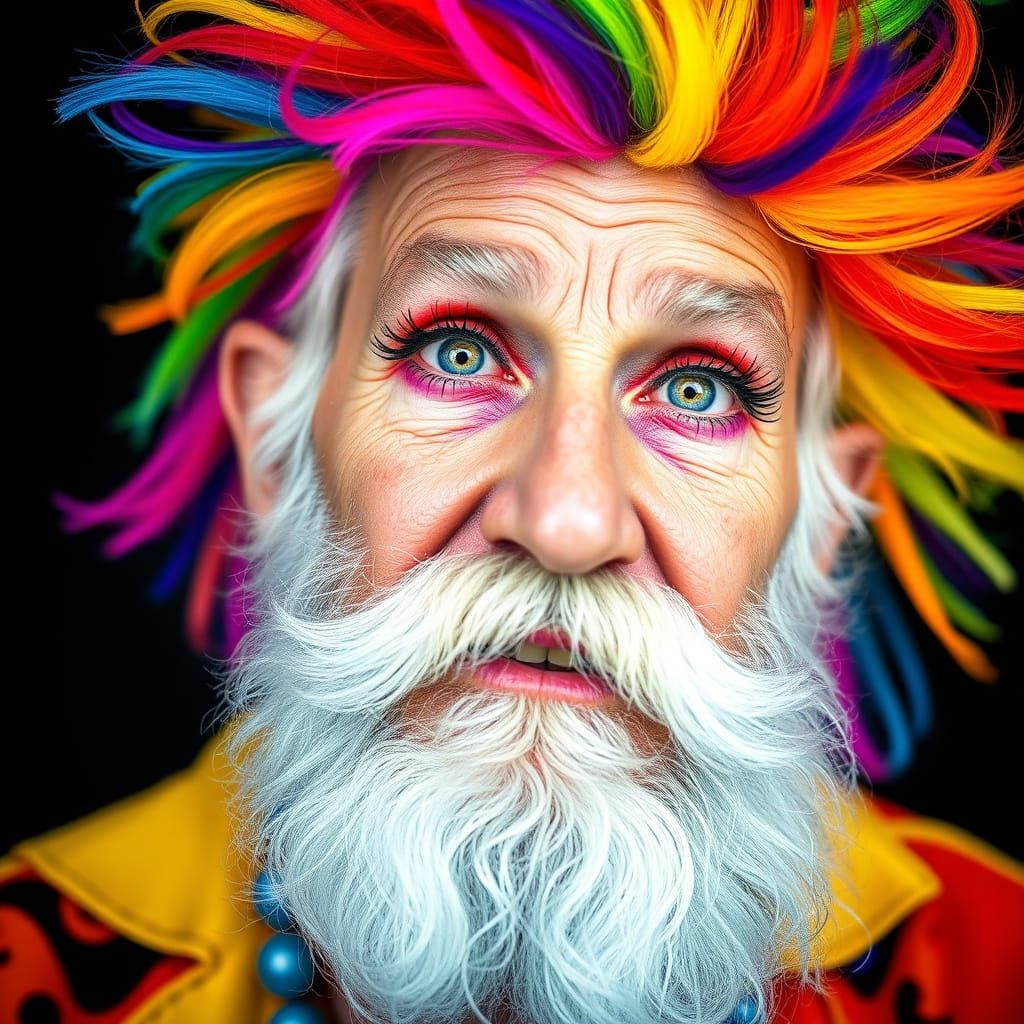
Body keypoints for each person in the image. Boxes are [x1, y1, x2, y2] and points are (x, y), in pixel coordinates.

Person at [4, 1, 1023, 1022]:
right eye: (458, 352)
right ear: (275, 435)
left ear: (823, 519)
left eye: (698, 387)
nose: (566, 523)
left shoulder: (991, 965)